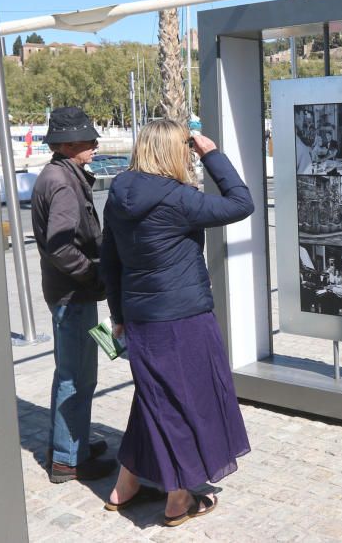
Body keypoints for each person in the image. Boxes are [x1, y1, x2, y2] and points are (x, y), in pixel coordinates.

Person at [100, 120, 254, 525]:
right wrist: (213, 154)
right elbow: (242, 202)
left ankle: (125, 485)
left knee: (154, 397)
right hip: (184, 318)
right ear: (173, 152)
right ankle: (178, 499)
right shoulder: (179, 199)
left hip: (140, 318)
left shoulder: (117, 194)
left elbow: (110, 261)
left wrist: (118, 315)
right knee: (187, 402)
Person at [31, 106, 117, 483]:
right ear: (67, 145)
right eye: (88, 139)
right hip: (73, 295)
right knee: (77, 377)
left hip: (66, 292)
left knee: (71, 372)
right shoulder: (64, 183)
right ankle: (68, 459)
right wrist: (93, 279)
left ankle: (70, 443)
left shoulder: (59, 173)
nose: (96, 144)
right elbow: (61, 246)